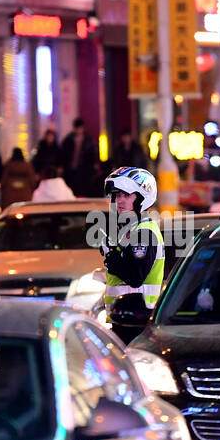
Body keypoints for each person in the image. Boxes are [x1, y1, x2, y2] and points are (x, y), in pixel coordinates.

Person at [100, 166, 163, 319]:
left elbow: (135, 277)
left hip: (137, 320)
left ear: (142, 198)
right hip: (125, 318)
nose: (119, 201)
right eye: (116, 195)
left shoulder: (144, 232)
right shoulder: (131, 230)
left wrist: (112, 257)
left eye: (126, 195)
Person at [61, 118, 100, 196]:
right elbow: (63, 154)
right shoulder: (68, 139)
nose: (78, 130)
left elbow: (93, 153)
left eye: (80, 128)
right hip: (70, 168)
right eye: (77, 128)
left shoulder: (88, 139)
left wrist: (95, 163)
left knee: (82, 190)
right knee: (72, 189)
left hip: (84, 168)